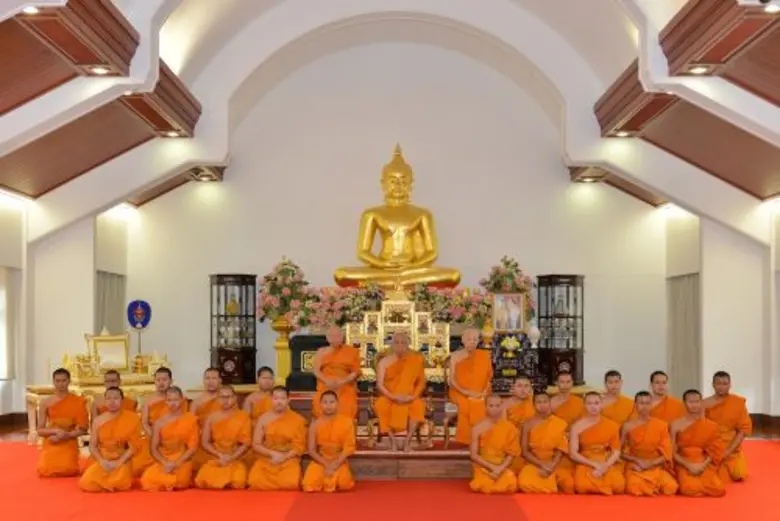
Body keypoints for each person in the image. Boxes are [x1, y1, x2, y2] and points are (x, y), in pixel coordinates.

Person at [79, 387, 141, 492]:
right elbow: (93, 446)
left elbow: (133, 447)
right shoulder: (98, 421)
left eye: (116, 398)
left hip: (122, 459)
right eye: (109, 398)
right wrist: (102, 461)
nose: (112, 402)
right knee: (87, 483)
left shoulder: (132, 418)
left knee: (120, 481)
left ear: (122, 400)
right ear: (105, 401)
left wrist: (118, 462)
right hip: (104, 458)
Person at [373, 332, 426, 452]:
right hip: (389, 396)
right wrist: (392, 397)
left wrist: (412, 397)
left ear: (408, 345)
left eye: (403, 342)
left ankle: (408, 442)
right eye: (397, 342)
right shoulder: (384, 362)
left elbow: (421, 383)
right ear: (392, 345)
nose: (400, 345)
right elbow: (380, 385)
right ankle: (392, 441)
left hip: (409, 396)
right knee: (380, 405)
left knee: (418, 405)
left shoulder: (416, 360)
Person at [139, 386, 199, 491]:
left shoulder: (190, 419)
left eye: (175, 400)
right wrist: (165, 463)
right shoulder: (159, 422)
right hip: (164, 457)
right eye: (169, 400)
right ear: (165, 402)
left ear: (182, 400)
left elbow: (192, 448)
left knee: (180, 480)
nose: (172, 403)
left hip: (182, 458)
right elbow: (153, 449)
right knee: (148, 479)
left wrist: (176, 463)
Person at [247, 386, 307, 490]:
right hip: (267, 457)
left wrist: (284, 457)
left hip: (288, 458)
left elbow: (299, 446)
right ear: (271, 399)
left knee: (290, 482)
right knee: (254, 481)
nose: (279, 402)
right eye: (276, 398)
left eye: (282, 398)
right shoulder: (263, 418)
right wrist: (272, 454)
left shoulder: (298, 419)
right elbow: (256, 444)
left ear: (288, 400)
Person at [194, 385, 252, 489]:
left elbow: (245, 443)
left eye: (228, 397)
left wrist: (231, 457)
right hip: (216, 455)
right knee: (203, 480)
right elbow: (205, 442)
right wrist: (219, 455)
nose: (225, 400)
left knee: (239, 482)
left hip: (236, 456)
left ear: (235, 398)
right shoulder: (211, 417)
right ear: (218, 399)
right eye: (222, 397)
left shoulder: (243, 416)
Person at [622, 391, 678, 496]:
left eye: (647, 403)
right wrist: (637, 461)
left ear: (651, 405)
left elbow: (667, 452)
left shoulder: (661, 425)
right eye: (641, 403)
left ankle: (651, 487)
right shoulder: (627, 426)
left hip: (655, 466)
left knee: (671, 487)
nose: (644, 407)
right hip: (635, 466)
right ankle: (651, 487)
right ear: (635, 405)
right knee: (633, 487)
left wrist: (651, 463)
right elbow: (620, 452)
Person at [672, 389, 725, 497]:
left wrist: (702, 465)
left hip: (703, 462)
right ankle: (698, 487)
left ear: (701, 403)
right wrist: (689, 465)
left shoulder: (710, 425)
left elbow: (714, 451)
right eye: (690, 402)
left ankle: (700, 487)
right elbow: (671, 452)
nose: (694, 405)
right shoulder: (675, 425)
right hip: (684, 462)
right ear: (684, 403)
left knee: (718, 488)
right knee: (687, 488)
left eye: (697, 402)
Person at [517, 392, 574, 494]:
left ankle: (553, 483)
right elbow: (525, 451)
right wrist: (542, 465)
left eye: (545, 401)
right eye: (539, 402)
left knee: (569, 485)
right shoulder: (527, 424)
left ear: (549, 403)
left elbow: (561, 449)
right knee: (525, 484)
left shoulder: (560, 423)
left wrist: (551, 465)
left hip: (555, 462)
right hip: (534, 462)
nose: (542, 405)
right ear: (533, 405)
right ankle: (552, 485)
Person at [37, 368, 88, 477]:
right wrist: (55, 431)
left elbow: (83, 429)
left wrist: (66, 435)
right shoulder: (45, 402)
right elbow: (40, 430)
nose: (61, 384)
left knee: (68, 470)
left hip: (69, 440)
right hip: (52, 439)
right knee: (46, 470)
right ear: (53, 382)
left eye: (64, 380)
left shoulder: (78, 401)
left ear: (69, 381)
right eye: (58, 381)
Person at [570, 392, 624, 495]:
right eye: (589, 403)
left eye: (596, 403)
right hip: (586, 461)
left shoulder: (612, 425)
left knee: (618, 485)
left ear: (601, 405)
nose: (593, 407)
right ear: (584, 405)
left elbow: (616, 451)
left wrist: (604, 466)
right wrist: (593, 464)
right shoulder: (577, 426)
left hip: (605, 460)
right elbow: (573, 454)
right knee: (581, 486)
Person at [132, 367, 184, 475]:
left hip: (174, 440)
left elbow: (183, 420)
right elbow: (144, 423)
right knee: (137, 467)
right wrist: (154, 437)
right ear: (154, 381)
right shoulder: (148, 401)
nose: (161, 383)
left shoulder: (179, 400)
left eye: (164, 380)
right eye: (158, 380)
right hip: (153, 439)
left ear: (171, 381)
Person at [302, 390, 356, 493]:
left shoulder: (347, 422)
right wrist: (326, 464)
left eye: (332, 402)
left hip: (339, 460)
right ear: (320, 405)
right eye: (325, 402)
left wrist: (335, 464)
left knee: (344, 483)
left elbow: (349, 447)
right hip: (321, 460)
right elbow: (311, 450)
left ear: (337, 404)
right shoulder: (315, 424)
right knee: (308, 484)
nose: (328, 405)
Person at [703, 371, 751, 482]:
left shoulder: (737, 402)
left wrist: (728, 451)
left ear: (730, 385)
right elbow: (700, 428)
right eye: (718, 383)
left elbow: (743, 430)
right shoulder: (705, 403)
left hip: (730, 445)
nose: (721, 387)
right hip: (711, 445)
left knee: (738, 474)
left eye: (725, 384)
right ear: (713, 385)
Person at [448, 328, 493, 444]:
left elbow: (489, 377)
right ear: (463, 340)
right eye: (469, 339)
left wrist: (484, 391)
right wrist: (466, 392)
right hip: (459, 391)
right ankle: (469, 438)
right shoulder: (455, 356)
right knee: (468, 402)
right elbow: (452, 380)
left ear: (478, 341)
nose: (472, 342)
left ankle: (480, 436)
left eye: (475, 339)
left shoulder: (484, 355)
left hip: (481, 391)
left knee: (481, 401)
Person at [469, 395, 520, 494]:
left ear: (502, 407)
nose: (494, 409)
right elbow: (474, 455)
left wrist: (500, 468)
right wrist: (493, 468)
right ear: (485, 407)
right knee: (483, 484)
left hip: (503, 465)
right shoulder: (477, 428)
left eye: (498, 405)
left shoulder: (510, 427)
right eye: (491, 406)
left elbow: (512, 454)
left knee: (510, 484)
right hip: (483, 466)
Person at [312, 326, 360, 419]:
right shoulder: (321, 351)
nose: (335, 338)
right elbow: (316, 370)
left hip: (345, 385)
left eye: (338, 336)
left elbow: (355, 372)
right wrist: (326, 380)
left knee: (346, 405)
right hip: (326, 385)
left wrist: (342, 381)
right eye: (332, 336)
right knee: (320, 403)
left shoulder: (352, 351)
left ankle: (343, 426)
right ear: (327, 338)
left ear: (342, 337)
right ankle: (324, 426)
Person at [190, 367, 224, 470]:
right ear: (203, 381)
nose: (210, 381)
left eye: (214, 378)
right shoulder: (196, 402)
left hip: (224, 441)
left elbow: (234, 421)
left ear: (220, 381)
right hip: (202, 442)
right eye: (207, 378)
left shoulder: (227, 400)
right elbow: (191, 425)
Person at [503, 375, 534, 474]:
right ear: (513, 388)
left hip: (532, 442)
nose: (523, 389)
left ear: (530, 388)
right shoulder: (505, 404)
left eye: (526, 386)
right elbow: (503, 428)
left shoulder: (535, 402)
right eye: (519, 386)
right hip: (514, 442)